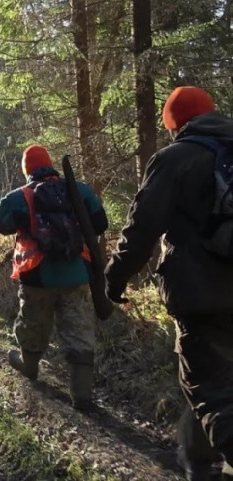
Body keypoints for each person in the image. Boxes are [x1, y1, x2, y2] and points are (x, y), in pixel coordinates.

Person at [105, 86, 233, 480]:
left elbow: (142, 229)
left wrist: (113, 279)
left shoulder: (175, 159)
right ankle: (198, 461)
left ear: (175, 124)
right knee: (208, 382)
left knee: (212, 391)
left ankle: (204, 460)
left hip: (202, 297)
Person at [0, 145, 108, 410]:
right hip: (77, 272)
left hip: (38, 274)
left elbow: (1, 224)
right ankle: (82, 395)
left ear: (27, 170)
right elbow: (101, 224)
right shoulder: (79, 190)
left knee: (33, 323)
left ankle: (29, 367)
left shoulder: (18, 197)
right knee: (78, 328)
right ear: (49, 165)